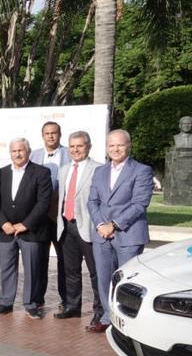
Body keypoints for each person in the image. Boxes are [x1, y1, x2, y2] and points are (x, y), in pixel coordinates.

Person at [87, 129, 154, 333]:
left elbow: (140, 204)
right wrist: (100, 225)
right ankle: (108, 318)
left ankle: (126, 323)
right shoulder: (100, 171)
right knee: (104, 279)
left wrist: (113, 225)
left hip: (129, 234)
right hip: (101, 236)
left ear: (128, 146)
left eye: (120, 145)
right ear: (107, 148)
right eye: (111, 145)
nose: (115, 149)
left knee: (126, 283)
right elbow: (92, 202)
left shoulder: (141, 170)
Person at [0, 138, 53, 319]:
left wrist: (25, 224)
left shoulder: (41, 172)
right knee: (7, 268)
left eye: (21, 150)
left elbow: (43, 202)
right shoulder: (0, 173)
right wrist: (4, 223)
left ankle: (31, 304)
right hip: (6, 231)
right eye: (14, 151)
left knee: (32, 270)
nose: (17, 154)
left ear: (28, 151)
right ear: (10, 153)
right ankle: (5, 302)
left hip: (31, 231)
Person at [55, 131, 103, 324]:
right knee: (71, 271)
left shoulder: (99, 169)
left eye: (79, 146)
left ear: (88, 147)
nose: (75, 150)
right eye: (72, 146)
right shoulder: (64, 169)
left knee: (95, 272)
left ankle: (100, 311)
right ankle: (73, 307)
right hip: (67, 226)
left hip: (89, 228)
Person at [30, 121, 70, 312]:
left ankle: (66, 299)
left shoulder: (71, 154)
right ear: (42, 135)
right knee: (39, 259)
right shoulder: (33, 155)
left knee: (64, 260)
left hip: (61, 216)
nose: (51, 136)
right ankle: (37, 298)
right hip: (39, 217)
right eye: (47, 133)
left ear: (60, 134)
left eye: (54, 133)